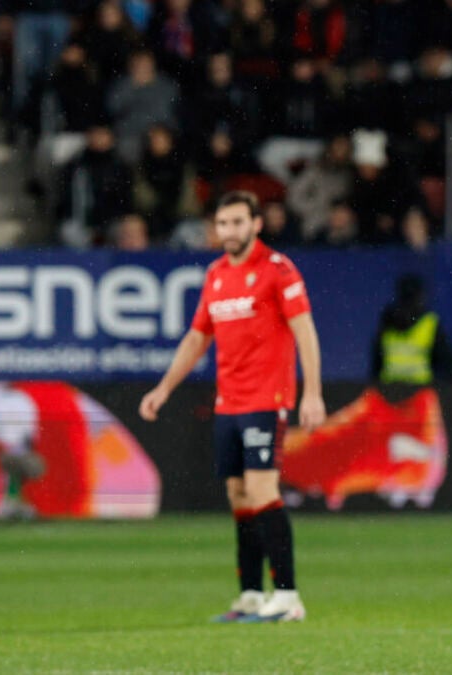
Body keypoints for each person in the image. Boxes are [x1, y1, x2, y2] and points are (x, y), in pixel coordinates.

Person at [139, 190, 326, 623]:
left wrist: (312, 392)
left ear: (256, 224)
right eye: (222, 224)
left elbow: (305, 330)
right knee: (238, 494)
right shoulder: (216, 274)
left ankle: (288, 597)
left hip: (267, 399)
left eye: (238, 222)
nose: (229, 231)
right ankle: (251, 595)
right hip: (229, 403)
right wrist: (164, 389)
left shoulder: (278, 269)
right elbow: (196, 338)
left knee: (262, 490)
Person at [370, 274, 452, 385]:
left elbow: (376, 363)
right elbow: (448, 364)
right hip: (421, 389)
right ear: (420, 296)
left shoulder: (387, 320)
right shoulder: (429, 322)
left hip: (389, 390)